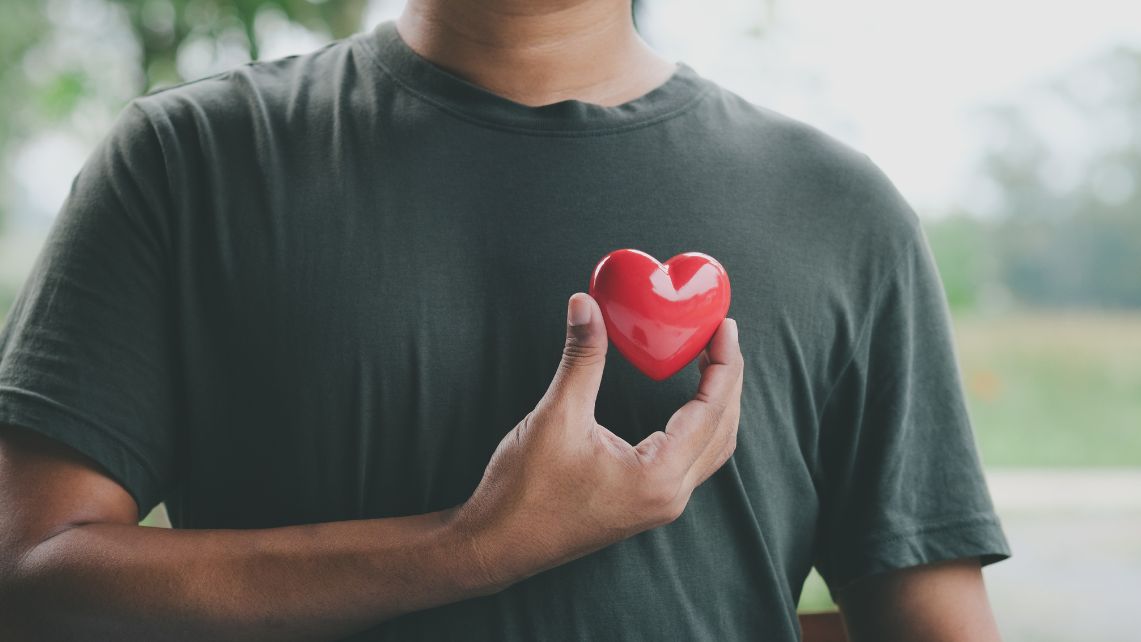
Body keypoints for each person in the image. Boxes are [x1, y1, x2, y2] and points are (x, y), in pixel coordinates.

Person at [0, 0, 1011, 639]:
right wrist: (469, 548)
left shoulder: (837, 208)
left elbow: (930, 622)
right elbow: (28, 576)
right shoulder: (187, 163)